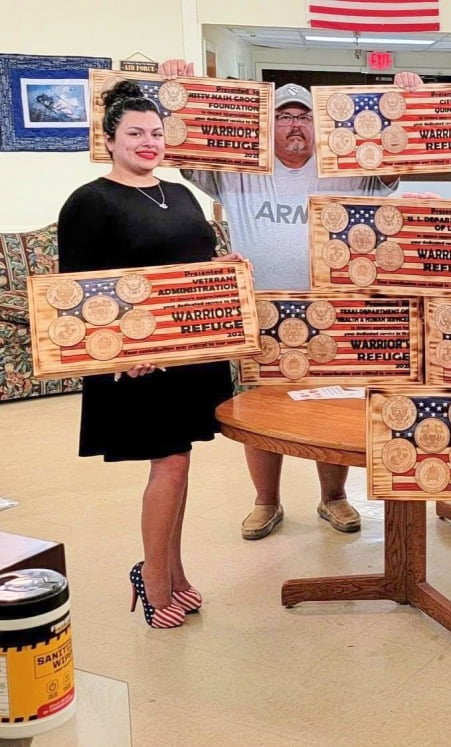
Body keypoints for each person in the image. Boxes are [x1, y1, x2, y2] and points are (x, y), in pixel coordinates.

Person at [159, 59, 422, 539]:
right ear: (267, 123)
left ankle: (334, 499)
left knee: (334, 408)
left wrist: (411, 100)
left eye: (304, 116)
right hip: (258, 310)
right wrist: (175, 85)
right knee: (260, 408)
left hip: (336, 312)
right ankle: (266, 502)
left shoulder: (349, 163)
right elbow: (181, 142)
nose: (294, 125)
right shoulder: (238, 167)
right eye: (283, 116)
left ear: (319, 125)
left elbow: (399, 158)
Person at [58, 81, 241, 628]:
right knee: (172, 464)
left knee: (180, 464)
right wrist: (119, 352)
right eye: (134, 132)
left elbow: (196, 268)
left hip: (189, 356)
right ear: (109, 139)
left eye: (156, 133)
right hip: (136, 361)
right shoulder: (90, 202)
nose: (148, 142)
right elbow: (77, 291)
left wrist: (226, 271)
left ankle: (174, 572)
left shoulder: (181, 193)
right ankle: (154, 581)